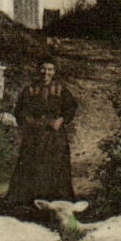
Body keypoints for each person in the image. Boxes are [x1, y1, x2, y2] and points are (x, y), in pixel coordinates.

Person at [7, 60, 79, 206]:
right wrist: (30, 121)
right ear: (38, 70)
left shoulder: (61, 90)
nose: (46, 73)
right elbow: (20, 110)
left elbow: (70, 108)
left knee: (56, 164)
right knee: (32, 163)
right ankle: (29, 199)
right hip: (35, 134)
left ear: (55, 72)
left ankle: (56, 198)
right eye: (43, 69)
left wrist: (61, 120)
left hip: (55, 135)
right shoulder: (30, 90)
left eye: (50, 69)